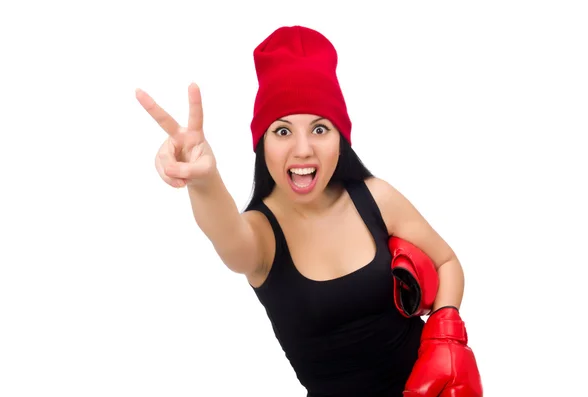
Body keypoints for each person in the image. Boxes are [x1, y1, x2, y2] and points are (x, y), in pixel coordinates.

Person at [136, 25, 482, 397]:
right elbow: (227, 235)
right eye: (283, 132)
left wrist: (445, 335)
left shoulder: (376, 198)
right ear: (262, 143)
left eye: (320, 129)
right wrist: (204, 181)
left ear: (340, 140)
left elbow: (446, 262)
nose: (303, 150)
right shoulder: (261, 236)